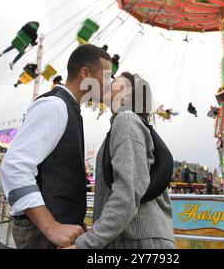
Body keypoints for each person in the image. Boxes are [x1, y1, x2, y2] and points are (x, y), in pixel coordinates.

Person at [0, 44, 112, 249]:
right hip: (42, 235)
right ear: (86, 73)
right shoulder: (55, 106)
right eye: (106, 77)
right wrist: (51, 226)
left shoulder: (69, 109)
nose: (109, 84)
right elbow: (14, 167)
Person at [71, 72, 175, 249]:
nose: (107, 83)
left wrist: (86, 244)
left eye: (114, 80)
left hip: (138, 241)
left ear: (127, 93)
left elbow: (126, 193)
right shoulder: (126, 124)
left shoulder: (126, 120)